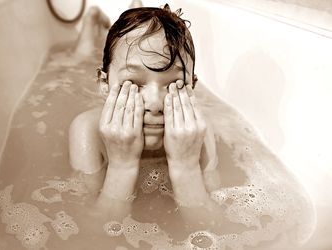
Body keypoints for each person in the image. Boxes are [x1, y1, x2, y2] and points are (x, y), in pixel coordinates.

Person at [69, 4, 315, 248]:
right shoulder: (88, 131)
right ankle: (91, 26)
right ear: (104, 85)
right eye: (133, 82)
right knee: (77, 61)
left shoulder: (197, 133)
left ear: (192, 87)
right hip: (84, 73)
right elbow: (94, 235)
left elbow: (211, 230)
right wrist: (122, 165)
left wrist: (185, 166)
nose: (155, 103)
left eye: (174, 83)